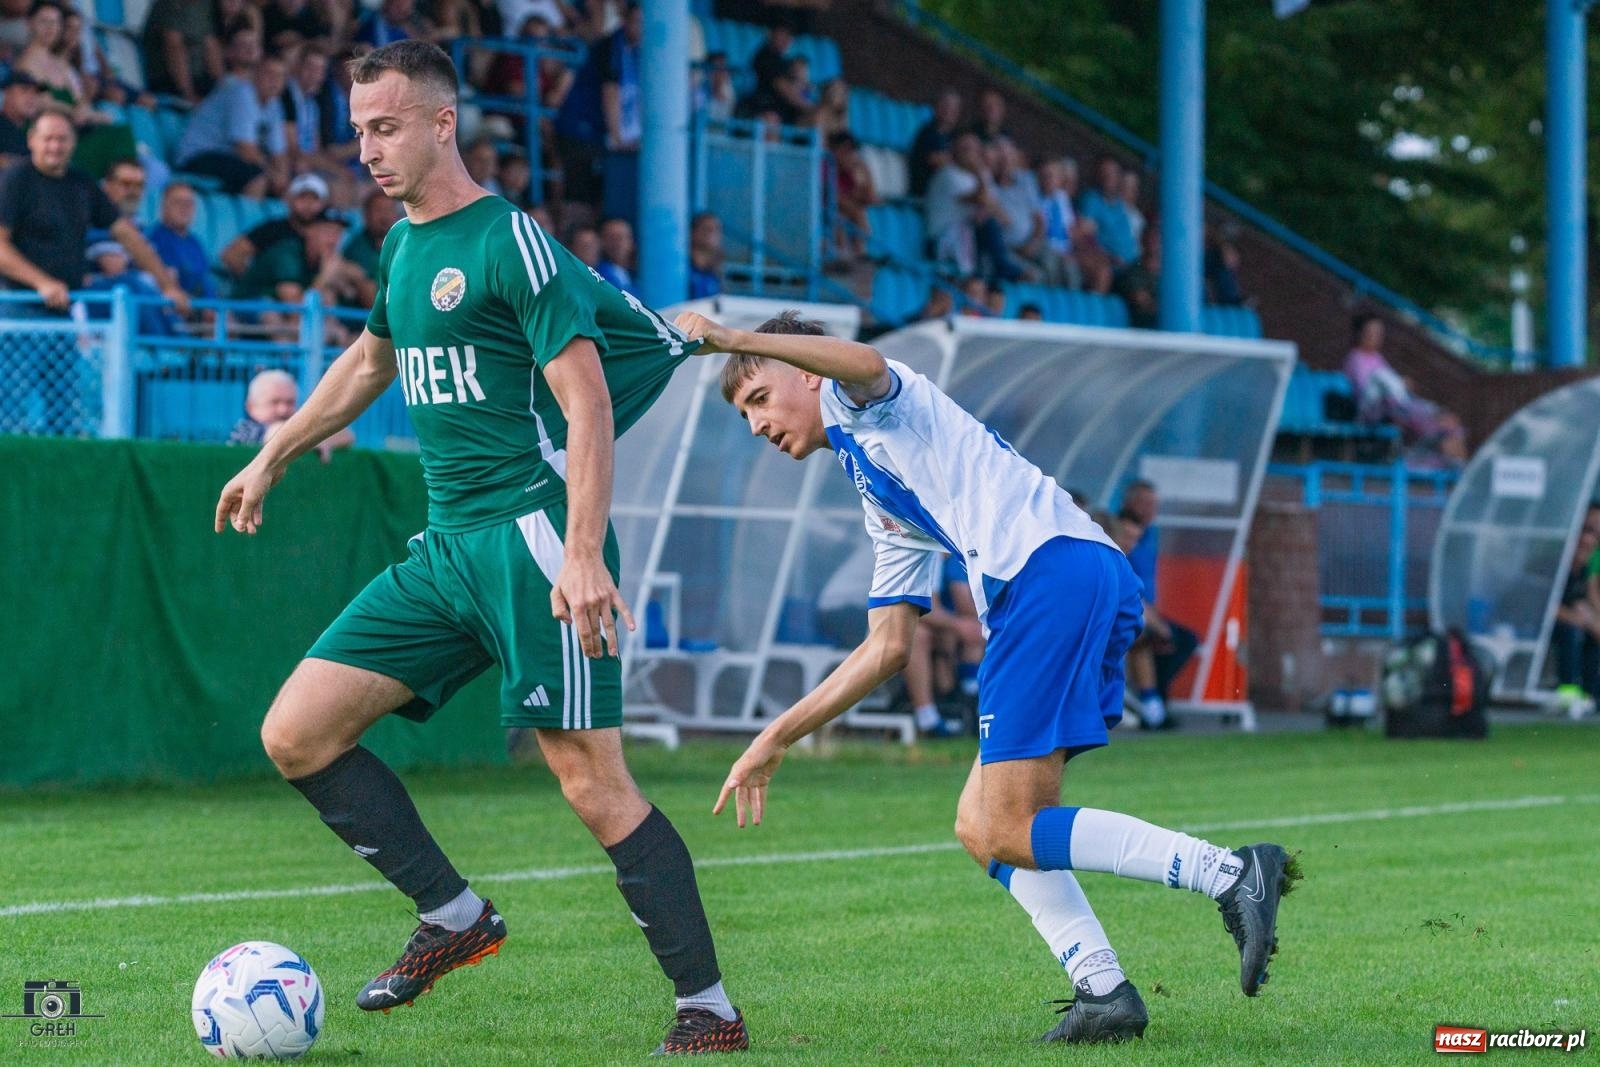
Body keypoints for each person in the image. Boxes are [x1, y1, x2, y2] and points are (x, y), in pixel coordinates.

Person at [212, 40, 748, 1055]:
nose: (367, 148)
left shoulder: (512, 240)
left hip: (535, 542)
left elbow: (585, 403)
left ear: (441, 123)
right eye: (360, 128)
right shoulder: (404, 246)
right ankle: (455, 917)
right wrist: (276, 450)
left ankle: (709, 1009)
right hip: (448, 545)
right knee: (296, 732)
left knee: (592, 783)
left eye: (387, 126)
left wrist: (583, 552)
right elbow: (371, 360)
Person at [682, 308, 1296, 1044]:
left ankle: (1229, 873)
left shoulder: (866, 397)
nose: (755, 424)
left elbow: (867, 363)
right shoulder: (879, 491)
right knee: (982, 825)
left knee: (1006, 823)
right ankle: (1103, 991)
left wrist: (734, 338)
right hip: (1076, 571)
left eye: (757, 398)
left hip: (1044, 578)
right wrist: (776, 735)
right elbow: (886, 647)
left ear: (808, 368)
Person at [1119, 479, 1196, 728]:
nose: (1151, 509)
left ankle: (1154, 704)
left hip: (1144, 610)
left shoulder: (1149, 534)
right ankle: (1151, 705)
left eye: (1154, 504)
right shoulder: (1115, 546)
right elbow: (1128, 592)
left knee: (1178, 639)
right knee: (1146, 636)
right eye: (1145, 503)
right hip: (1131, 611)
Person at [1343, 313, 1467, 466]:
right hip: (1379, 413)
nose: (1375, 337)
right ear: (1359, 333)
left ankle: (1454, 469)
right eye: (1371, 333)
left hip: (1401, 407)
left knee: (1452, 423)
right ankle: (1443, 466)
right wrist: (1398, 385)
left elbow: (1395, 388)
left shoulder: (1377, 358)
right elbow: (1370, 393)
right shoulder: (1355, 359)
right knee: (1444, 424)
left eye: (1378, 333)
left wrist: (1402, 385)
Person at [174, 53, 290, 196]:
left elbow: (279, 153)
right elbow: (245, 150)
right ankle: (251, 217)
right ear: (255, 74)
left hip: (227, 159)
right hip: (197, 156)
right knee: (257, 178)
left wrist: (284, 179)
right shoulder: (241, 93)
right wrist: (274, 175)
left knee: (293, 189)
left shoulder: (274, 104)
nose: (275, 81)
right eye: (269, 74)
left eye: (280, 76)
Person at [220, 172, 330, 278]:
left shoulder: (330, 233)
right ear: (289, 200)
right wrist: (257, 283)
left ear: (324, 203)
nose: (308, 204)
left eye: (314, 199)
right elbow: (231, 255)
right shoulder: (273, 229)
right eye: (302, 197)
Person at [229, 368, 354, 458]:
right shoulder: (245, 430)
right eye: (274, 402)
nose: (283, 409)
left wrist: (317, 440)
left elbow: (346, 435)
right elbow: (275, 434)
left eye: (290, 402)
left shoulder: (298, 429)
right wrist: (313, 438)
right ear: (251, 406)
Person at [146, 179, 218, 302]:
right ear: (163, 207)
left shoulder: (195, 242)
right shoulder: (156, 238)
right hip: (183, 309)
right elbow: (168, 284)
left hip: (209, 308)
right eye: (178, 202)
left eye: (189, 204)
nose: (184, 208)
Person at [908, 87, 960, 198]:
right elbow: (935, 160)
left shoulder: (955, 136)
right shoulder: (927, 133)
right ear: (936, 108)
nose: (948, 111)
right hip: (926, 192)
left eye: (953, 109)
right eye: (945, 106)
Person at [0, 70, 44, 167]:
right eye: (24, 90)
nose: (32, 97)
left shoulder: (38, 127)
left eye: (36, 92)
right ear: (7, 93)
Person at [595, 214, 635, 293]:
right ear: (601, 242)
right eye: (612, 238)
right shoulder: (597, 276)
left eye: (622, 237)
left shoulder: (639, 277)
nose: (617, 243)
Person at [688, 210, 723, 300]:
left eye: (716, 229)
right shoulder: (683, 271)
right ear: (693, 232)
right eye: (706, 229)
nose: (711, 234)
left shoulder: (714, 274)